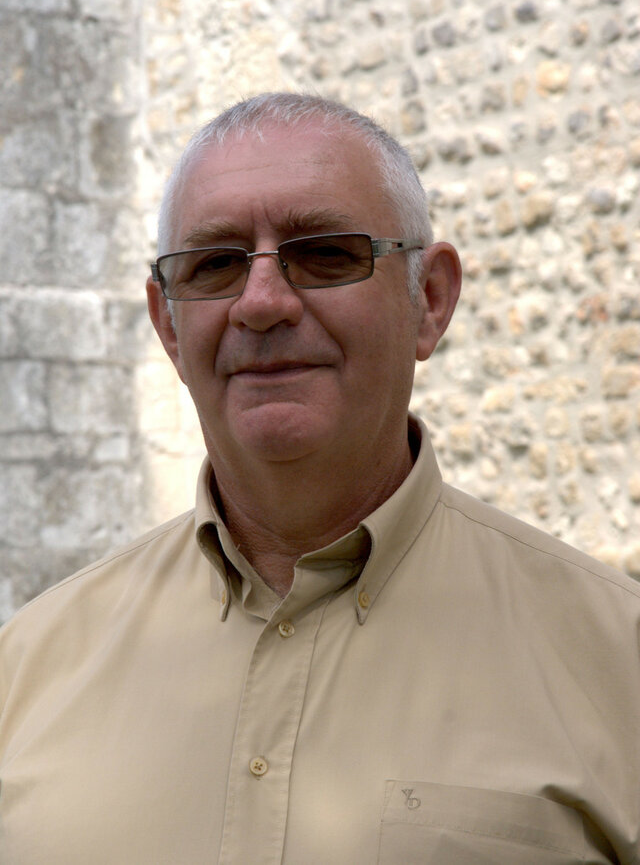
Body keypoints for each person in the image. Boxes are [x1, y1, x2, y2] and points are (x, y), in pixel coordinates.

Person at [0, 93, 638, 865]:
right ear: (168, 324)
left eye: (327, 253)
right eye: (215, 264)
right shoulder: (25, 672)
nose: (262, 303)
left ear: (430, 300)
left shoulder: (616, 663)